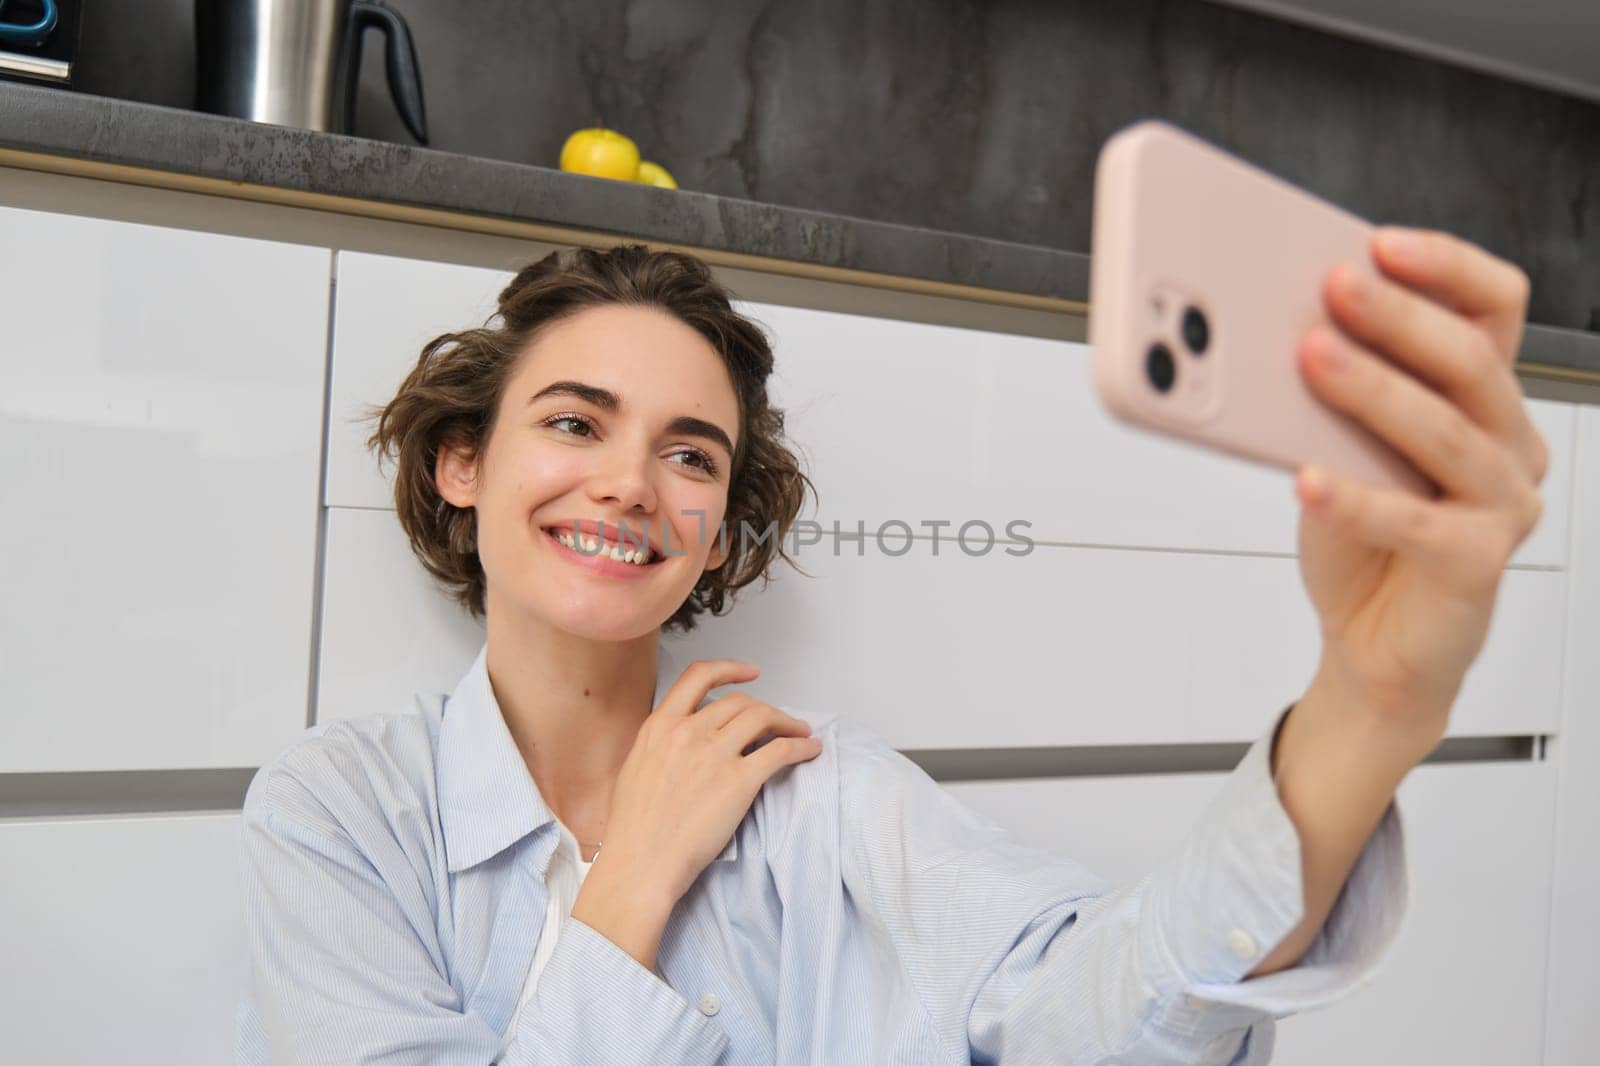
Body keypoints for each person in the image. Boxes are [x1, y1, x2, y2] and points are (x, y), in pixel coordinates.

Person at [235, 235, 1548, 1064]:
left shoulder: (822, 795)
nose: (633, 482)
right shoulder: (338, 815)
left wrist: (1368, 709)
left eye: (692, 451)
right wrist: (632, 880)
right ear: (463, 460)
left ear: (719, 523)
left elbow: (1108, 1011)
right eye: (576, 424)